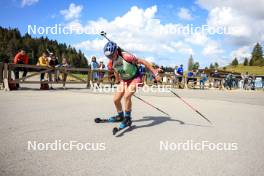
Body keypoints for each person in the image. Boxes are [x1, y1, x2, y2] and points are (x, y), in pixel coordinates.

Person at [104, 41, 161, 129]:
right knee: (116, 99)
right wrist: (117, 80)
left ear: (116, 51)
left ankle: (127, 118)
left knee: (127, 96)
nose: (111, 58)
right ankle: (120, 116)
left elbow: (143, 61)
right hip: (124, 80)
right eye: (108, 56)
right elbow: (115, 70)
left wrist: (155, 73)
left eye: (112, 55)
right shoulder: (111, 63)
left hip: (135, 78)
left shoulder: (126, 56)